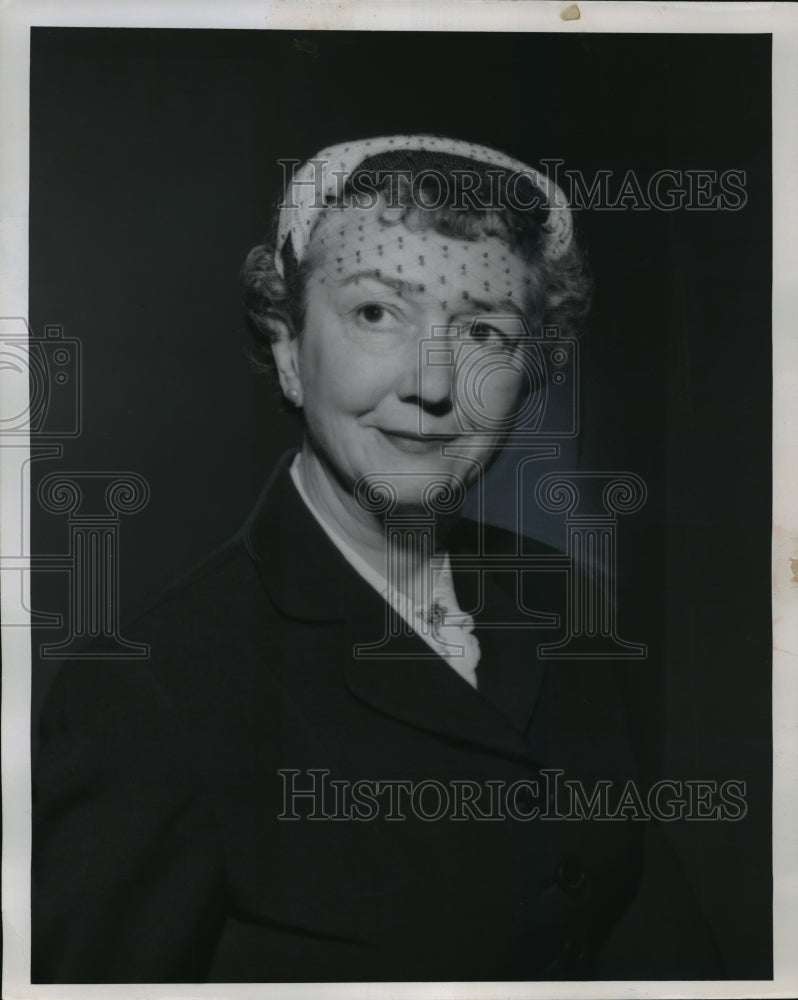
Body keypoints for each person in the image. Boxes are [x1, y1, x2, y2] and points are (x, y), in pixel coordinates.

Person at [32, 134, 722, 983]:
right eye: (375, 313)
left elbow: (645, 927)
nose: (433, 384)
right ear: (288, 347)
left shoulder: (564, 600)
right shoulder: (152, 693)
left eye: (481, 328)